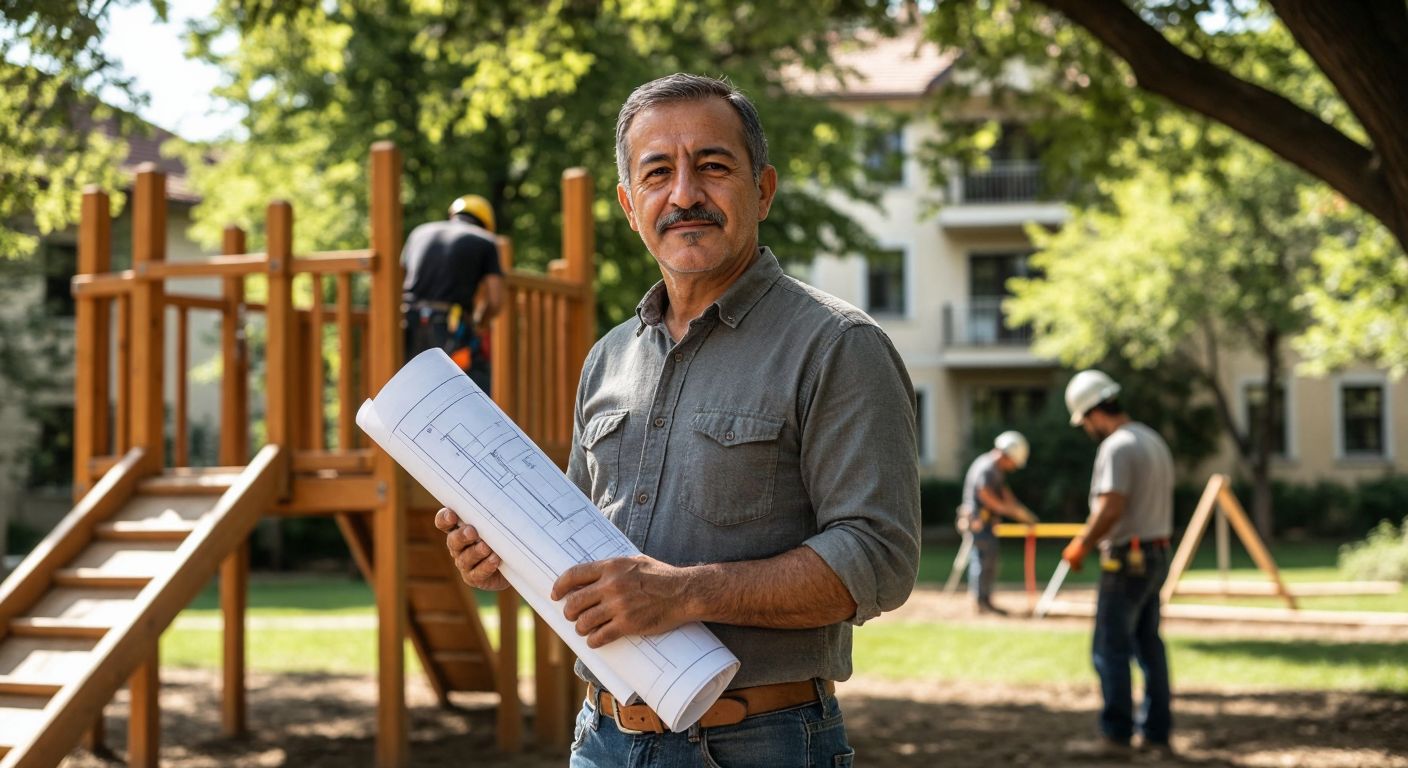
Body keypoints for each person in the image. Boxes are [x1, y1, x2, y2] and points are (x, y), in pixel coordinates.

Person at [434, 73, 921, 766]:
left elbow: (881, 557)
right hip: (601, 740)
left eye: (713, 166)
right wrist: (501, 554)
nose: (684, 194)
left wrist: (683, 593)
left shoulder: (838, 345)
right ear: (631, 206)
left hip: (759, 745)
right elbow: (574, 548)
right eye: (657, 172)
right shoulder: (607, 359)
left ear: (764, 189)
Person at [1060, 369, 1175, 757]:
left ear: (1093, 411)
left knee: (1110, 647)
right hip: (1157, 553)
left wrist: (1082, 543)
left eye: (1085, 421)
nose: (1087, 428)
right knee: (1148, 645)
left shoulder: (1117, 446)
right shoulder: (1152, 440)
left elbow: (1111, 507)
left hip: (1128, 559)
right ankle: (1157, 735)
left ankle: (1116, 735)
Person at [401, 193, 505, 392]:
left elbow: (400, 276)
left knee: (415, 390)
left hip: (409, 322)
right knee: (470, 386)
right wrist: (480, 323)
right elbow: (496, 299)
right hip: (450, 326)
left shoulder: (419, 232)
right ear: (486, 222)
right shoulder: (485, 241)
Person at [957, 430, 1037, 615]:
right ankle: (980, 601)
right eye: (1014, 461)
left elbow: (1005, 495)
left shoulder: (995, 469)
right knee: (983, 560)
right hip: (978, 522)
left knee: (989, 560)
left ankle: (985, 600)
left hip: (985, 523)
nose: (1014, 466)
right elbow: (985, 494)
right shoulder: (986, 467)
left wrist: (1022, 513)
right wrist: (1008, 510)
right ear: (1007, 454)